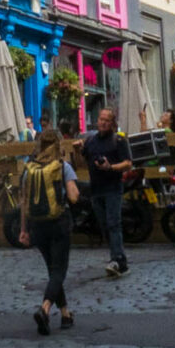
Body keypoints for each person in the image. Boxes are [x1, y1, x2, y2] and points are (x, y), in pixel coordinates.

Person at [18, 126, 83, 334]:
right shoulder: (62, 166)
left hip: (37, 225)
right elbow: (73, 196)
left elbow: (24, 202)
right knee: (59, 270)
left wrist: (24, 229)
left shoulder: (30, 168)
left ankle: (65, 313)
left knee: (52, 269)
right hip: (58, 223)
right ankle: (45, 308)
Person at [79, 106, 132, 280]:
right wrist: (77, 148)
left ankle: (116, 259)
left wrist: (110, 167)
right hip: (96, 189)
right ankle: (119, 260)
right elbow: (83, 159)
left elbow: (128, 163)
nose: (102, 122)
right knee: (104, 225)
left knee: (113, 223)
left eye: (106, 120)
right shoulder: (91, 140)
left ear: (112, 123)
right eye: (101, 119)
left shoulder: (118, 140)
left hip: (112, 188)